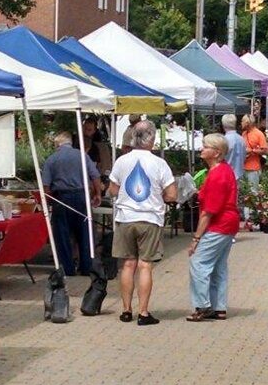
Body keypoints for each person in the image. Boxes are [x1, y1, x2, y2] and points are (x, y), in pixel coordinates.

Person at [108, 119, 176, 325]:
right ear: (152, 140)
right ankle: (143, 312)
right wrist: (158, 197)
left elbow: (112, 190)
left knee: (127, 265)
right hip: (150, 218)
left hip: (126, 218)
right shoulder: (159, 164)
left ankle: (126, 310)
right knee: (145, 266)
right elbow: (172, 194)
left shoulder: (121, 161)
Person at [186, 134, 239, 321]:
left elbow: (208, 212)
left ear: (216, 153)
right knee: (218, 266)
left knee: (198, 262)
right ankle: (219, 306)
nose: (202, 149)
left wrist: (196, 239)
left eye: (205, 146)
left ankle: (203, 305)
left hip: (219, 224)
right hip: (229, 224)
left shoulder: (217, 174)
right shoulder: (224, 170)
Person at [41, 131, 102, 276]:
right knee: (85, 233)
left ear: (57, 145)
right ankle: (87, 267)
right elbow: (95, 176)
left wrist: (49, 200)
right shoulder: (82, 155)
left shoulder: (52, 159)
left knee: (62, 235)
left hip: (61, 198)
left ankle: (67, 269)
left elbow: (46, 186)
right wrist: (98, 194)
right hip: (82, 196)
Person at [240, 114, 268, 193]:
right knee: (243, 192)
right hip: (242, 167)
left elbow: (265, 150)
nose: (241, 123)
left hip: (253, 168)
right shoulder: (244, 134)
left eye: (242, 121)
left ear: (247, 123)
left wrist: (252, 151)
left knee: (253, 192)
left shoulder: (259, 134)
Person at [221, 114, 246, 204]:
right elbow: (244, 155)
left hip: (226, 175)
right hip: (239, 173)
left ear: (223, 125)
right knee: (236, 201)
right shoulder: (241, 139)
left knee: (227, 201)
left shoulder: (224, 140)